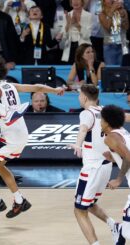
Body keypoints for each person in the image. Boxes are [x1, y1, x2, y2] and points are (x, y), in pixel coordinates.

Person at [0, 55, 64, 217]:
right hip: (21, 135)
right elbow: (37, 87)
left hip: (9, 139)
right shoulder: (10, 85)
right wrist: (54, 90)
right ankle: (19, 201)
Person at [67, 85, 116, 245]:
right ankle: (113, 225)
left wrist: (77, 144)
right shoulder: (104, 111)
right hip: (106, 166)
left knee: (79, 210)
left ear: (85, 98)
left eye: (79, 95)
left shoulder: (86, 113)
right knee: (90, 203)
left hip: (92, 169)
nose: (79, 98)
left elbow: (82, 129)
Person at [103, 105, 130, 244]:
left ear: (107, 122)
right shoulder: (123, 131)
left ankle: (119, 230)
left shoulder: (111, 137)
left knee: (127, 232)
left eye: (101, 119)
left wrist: (119, 179)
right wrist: (114, 156)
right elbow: (125, 153)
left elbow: (128, 156)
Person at [99, 0, 129, 65]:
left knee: (124, 71)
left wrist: (123, 17)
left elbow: (126, 27)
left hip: (123, 45)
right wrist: (112, 10)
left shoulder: (123, 11)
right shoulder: (102, 14)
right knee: (111, 71)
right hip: (110, 46)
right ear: (104, 2)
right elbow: (108, 28)